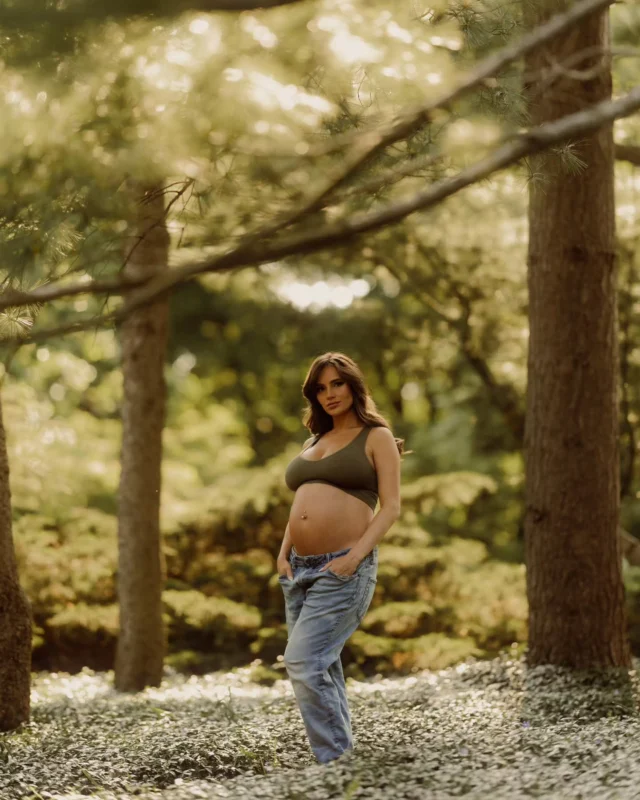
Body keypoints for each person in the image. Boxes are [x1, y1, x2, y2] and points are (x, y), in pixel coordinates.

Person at [278, 351, 403, 763]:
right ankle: (342, 764)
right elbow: (301, 502)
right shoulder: (312, 442)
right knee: (322, 667)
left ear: (353, 386)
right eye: (320, 388)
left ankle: (335, 765)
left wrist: (354, 557)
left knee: (303, 661)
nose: (329, 394)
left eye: (337, 384)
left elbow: (391, 508)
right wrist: (283, 554)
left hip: (344, 568)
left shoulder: (376, 437)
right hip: (298, 570)